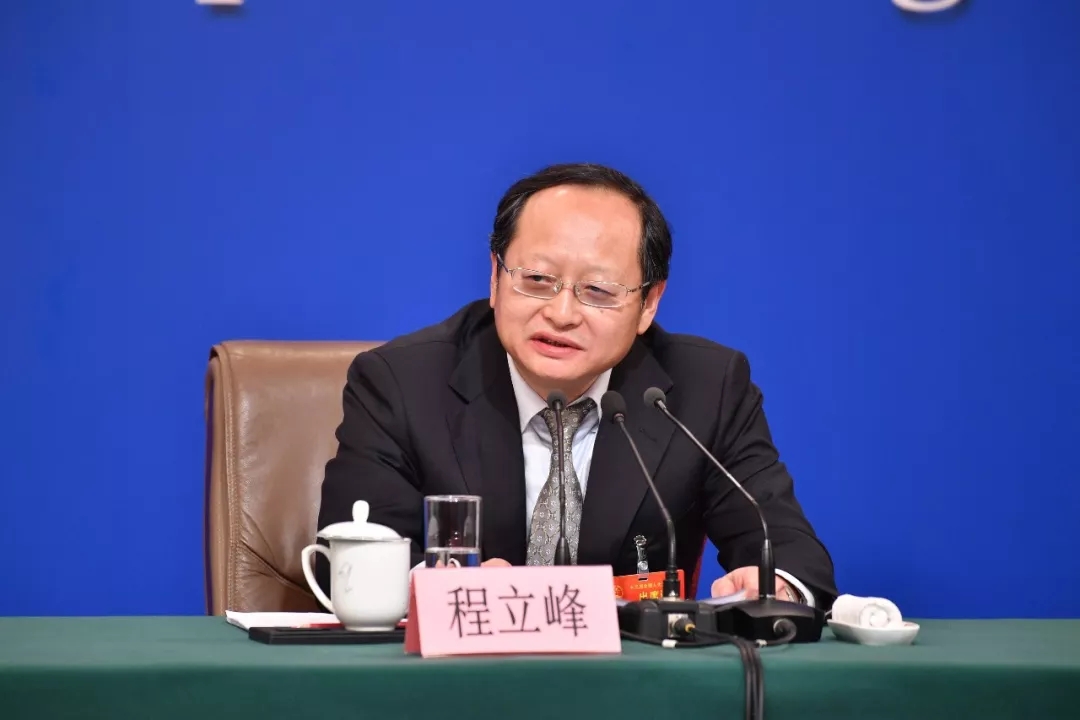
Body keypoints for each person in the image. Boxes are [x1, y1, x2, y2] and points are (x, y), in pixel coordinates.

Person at [315, 162, 837, 608]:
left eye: (598, 290)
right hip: (452, 677)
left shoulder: (705, 389)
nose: (562, 314)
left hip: (628, 681)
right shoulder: (403, 383)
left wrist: (776, 586)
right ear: (495, 278)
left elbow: (786, 549)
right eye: (537, 280)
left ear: (649, 303)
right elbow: (351, 558)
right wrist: (443, 589)